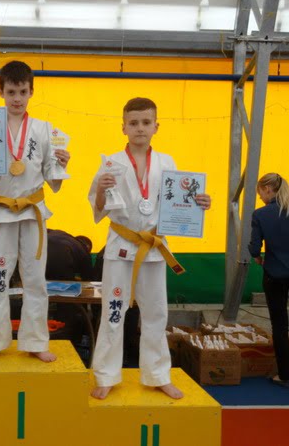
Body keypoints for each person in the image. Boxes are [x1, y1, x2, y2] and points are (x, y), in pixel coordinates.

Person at [88, 97, 211, 400]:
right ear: (123, 127)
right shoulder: (111, 163)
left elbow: (177, 204)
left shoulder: (167, 163)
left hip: (154, 248)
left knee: (156, 313)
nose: (140, 128)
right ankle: (106, 374)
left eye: (145, 122)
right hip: (121, 245)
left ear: (156, 126)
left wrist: (198, 204)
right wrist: (100, 190)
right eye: (133, 123)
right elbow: (98, 208)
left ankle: (157, 375)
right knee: (113, 310)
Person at [0, 60, 71, 364]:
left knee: (35, 279)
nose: (17, 98)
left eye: (22, 92)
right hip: (0, 211)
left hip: (32, 212)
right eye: (11, 92)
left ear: (31, 92)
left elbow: (53, 179)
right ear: (1, 91)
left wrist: (61, 163)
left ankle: (35, 341)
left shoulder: (45, 130)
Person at [248, 173, 289, 387]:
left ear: (268, 189)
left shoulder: (260, 214)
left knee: (279, 325)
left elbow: (255, 247)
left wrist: (258, 257)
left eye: (260, 192)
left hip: (274, 274)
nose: (260, 197)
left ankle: (284, 375)